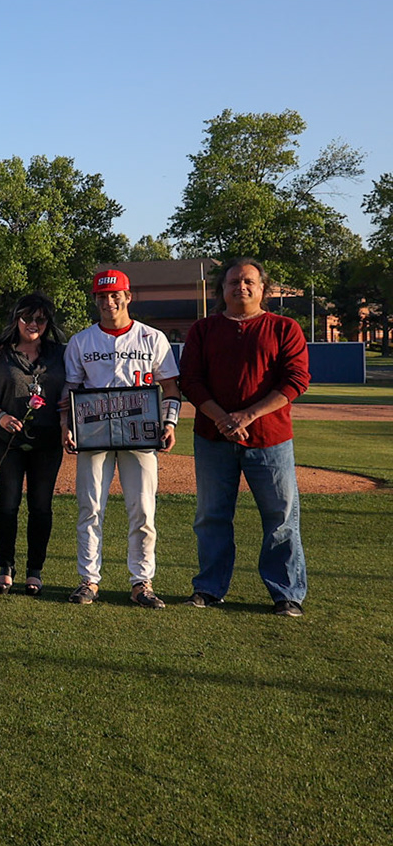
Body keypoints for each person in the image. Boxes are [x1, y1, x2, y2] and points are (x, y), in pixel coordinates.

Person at [181, 258, 311, 616]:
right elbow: (190, 380)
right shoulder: (203, 330)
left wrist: (247, 415)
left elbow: (295, 380)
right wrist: (223, 419)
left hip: (270, 439)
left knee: (280, 517)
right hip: (212, 437)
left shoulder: (284, 328)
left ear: (263, 289)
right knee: (211, 516)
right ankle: (209, 589)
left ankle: (286, 594)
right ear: (221, 290)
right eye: (233, 281)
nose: (241, 287)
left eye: (249, 281)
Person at [60, 269, 180, 609]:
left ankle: (141, 582)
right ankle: (89, 581)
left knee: (143, 510)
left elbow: (170, 388)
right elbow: (70, 390)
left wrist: (169, 424)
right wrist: (65, 425)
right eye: (102, 296)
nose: (109, 301)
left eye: (115, 295)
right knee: (90, 508)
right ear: (95, 299)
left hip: (140, 435)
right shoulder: (82, 341)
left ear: (128, 297)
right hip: (94, 433)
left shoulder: (152, 338)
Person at [0, 293, 68, 596]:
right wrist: (0, 416)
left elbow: (71, 391)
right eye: (27, 317)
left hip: (47, 441)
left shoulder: (59, 354)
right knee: (7, 503)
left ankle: (34, 571)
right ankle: (6, 567)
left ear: (48, 322)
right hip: (6, 440)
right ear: (16, 318)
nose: (33, 324)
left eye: (40, 319)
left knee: (41, 506)